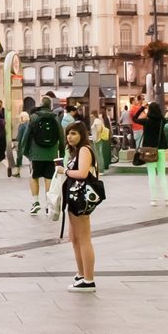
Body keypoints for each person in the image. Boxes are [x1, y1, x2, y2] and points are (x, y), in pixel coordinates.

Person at [62, 121, 99, 292]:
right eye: (68, 133)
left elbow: (83, 173)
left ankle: (88, 279)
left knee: (83, 238)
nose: (70, 137)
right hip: (74, 197)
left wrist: (65, 171)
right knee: (74, 238)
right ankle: (81, 273)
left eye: (74, 133)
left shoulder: (84, 150)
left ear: (82, 135)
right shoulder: (76, 151)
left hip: (81, 198)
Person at [22, 97, 63, 214]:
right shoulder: (55, 117)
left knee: (34, 177)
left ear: (40, 104)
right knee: (49, 178)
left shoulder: (34, 117)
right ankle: (48, 204)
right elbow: (61, 135)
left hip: (36, 153)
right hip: (52, 154)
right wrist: (62, 152)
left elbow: (26, 135)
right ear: (50, 105)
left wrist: (25, 151)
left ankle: (35, 202)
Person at [142, 101, 168, 207]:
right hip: (160, 149)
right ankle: (167, 199)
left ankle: (154, 199)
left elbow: (134, 118)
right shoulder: (163, 121)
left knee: (151, 174)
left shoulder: (146, 121)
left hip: (149, 150)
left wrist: (142, 107)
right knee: (162, 174)